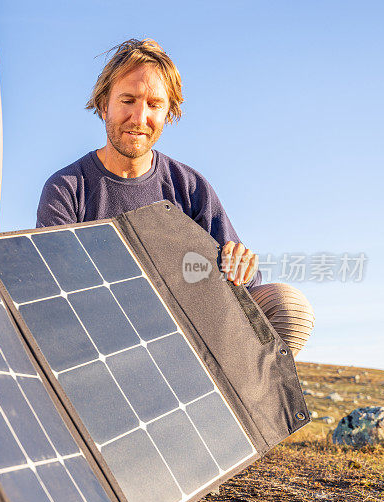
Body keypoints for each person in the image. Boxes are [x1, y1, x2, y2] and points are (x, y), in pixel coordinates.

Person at [36, 38, 314, 356]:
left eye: (154, 105)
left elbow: (245, 291)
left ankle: (236, 403)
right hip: (102, 342)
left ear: (169, 113)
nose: (140, 118)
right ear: (104, 105)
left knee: (289, 309)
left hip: (190, 344)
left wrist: (243, 266)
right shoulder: (66, 188)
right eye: (128, 100)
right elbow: (53, 295)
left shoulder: (190, 187)